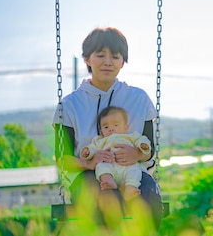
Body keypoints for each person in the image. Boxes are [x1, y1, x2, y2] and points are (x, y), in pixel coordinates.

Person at [53, 27, 163, 228]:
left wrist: (136, 154)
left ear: (122, 62)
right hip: (87, 175)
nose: (107, 62)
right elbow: (62, 159)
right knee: (103, 203)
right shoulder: (69, 105)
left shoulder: (139, 99)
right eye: (100, 55)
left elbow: (151, 151)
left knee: (150, 202)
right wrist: (89, 163)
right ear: (87, 59)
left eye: (115, 56)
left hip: (133, 171)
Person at [81, 106, 151, 201]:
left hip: (127, 165)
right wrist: (87, 152)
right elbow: (92, 147)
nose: (111, 129)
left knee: (135, 169)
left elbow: (141, 139)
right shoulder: (100, 140)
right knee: (101, 165)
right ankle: (108, 180)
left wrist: (143, 145)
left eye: (116, 125)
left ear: (125, 127)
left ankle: (130, 187)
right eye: (106, 127)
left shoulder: (130, 136)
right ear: (101, 131)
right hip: (109, 164)